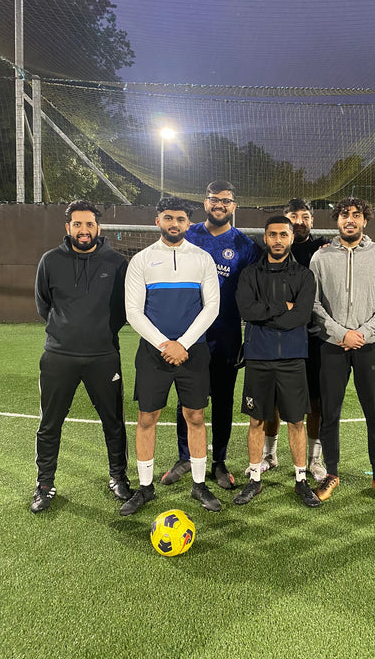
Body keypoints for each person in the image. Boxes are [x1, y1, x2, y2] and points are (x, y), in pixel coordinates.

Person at [120, 196, 221, 515]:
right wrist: (166, 344)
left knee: (195, 417)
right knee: (147, 418)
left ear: (188, 223)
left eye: (180, 219)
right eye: (168, 217)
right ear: (157, 221)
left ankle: (199, 485)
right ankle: (145, 488)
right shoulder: (141, 260)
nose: (174, 223)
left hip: (194, 353)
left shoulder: (203, 258)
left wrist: (184, 344)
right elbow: (133, 312)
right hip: (153, 354)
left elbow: (212, 307)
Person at [160, 180, 260, 490]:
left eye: (226, 200)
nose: (219, 204)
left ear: (234, 206)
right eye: (214, 199)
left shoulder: (246, 246)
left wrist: (248, 337)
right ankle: (185, 456)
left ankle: (218, 461)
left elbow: (251, 294)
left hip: (225, 336)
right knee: (187, 399)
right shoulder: (186, 235)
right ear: (205, 203)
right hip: (188, 337)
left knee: (222, 400)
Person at [31, 200, 130, 513]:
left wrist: (101, 333)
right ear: (68, 228)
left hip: (103, 356)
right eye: (78, 224)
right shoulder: (50, 261)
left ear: (98, 227)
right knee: (50, 423)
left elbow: (123, 310)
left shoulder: (116, 262)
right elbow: (43, 305)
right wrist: (66, 332)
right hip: (58, 357)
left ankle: (118, 477)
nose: (84, 230)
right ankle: (45, 484)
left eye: (89, 224)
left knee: (113, 422)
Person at [310, 197, 375, 506]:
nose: (350, 219)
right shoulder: (320, 258)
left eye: (356, 215)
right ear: (336, 220)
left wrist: (361, 333)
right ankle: (331, 473)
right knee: (329, 414)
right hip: (333, 347)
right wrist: (340, 333)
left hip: (370, 347)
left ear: (365, 220)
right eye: (345, 214)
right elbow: (314, 303)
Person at [233, 216, 320, 508]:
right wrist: (283, 307)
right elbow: (247, 309)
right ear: (265, 238)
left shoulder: (304, 276)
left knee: (296, 421)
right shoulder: (249, 274)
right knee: (257, 419)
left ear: (291, 237)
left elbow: (302, 315)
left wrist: (268, 313)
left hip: (293, 359)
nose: (278, 240)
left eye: (284, 234)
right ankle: (255, 479)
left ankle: (301, 480)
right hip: (258, 358)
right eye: (272, 235)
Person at [254, 198, 330, 481]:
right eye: (293, 215)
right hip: (275, 334)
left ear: (312, 220)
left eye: (305, 216)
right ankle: (269, 455)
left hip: (313, 336)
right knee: (271, 398)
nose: (299, 220)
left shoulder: (324, 248)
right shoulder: (265, 252)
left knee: (314, 400)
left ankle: (314, 459)